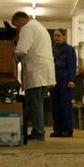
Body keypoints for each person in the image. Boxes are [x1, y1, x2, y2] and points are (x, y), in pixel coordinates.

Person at [12, 11, 55, 141]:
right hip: (43, 70)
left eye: (16, 26)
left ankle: (38, 133)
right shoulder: (39, 27)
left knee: (35, 103)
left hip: (36, 71)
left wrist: (12, 53)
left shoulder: (27, 27)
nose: (18, 29)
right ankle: (38, 130)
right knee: (38, 103)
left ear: (21, 21)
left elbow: (21, 49)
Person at [50, 28, 77, 137]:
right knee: (55, 106)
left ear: (64, 36)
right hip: (53, 79)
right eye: (55, 36)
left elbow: (72, 65)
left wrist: (72, 80)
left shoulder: (69, 49)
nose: (56, 37)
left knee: (65, 106)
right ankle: (57, 130)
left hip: (65, 79)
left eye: (58, 35)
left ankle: (67, 130)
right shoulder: (51, 50)